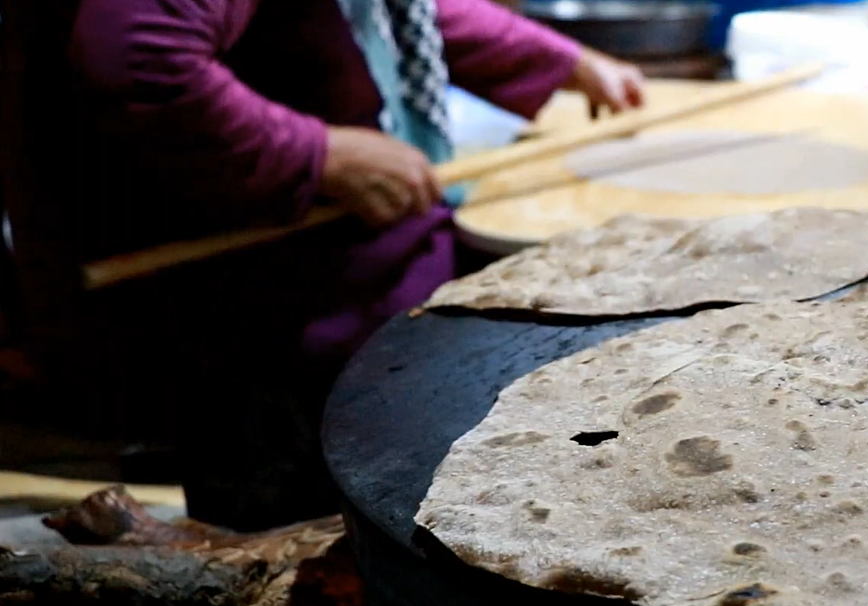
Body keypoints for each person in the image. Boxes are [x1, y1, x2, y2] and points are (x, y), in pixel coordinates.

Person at [25, 0, 646, 529]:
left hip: (377, 316)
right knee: (312, 568)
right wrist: (318, 157)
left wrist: (563, 61)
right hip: (279, 344)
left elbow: (398, 15)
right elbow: (137, 56)